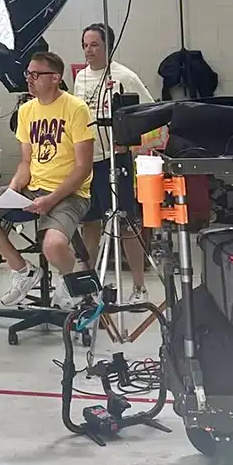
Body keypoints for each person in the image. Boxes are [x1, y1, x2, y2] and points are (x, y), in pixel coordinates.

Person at [0, 51, 94, 309]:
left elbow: (83, 168)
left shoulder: (76, 108)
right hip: (31, 190)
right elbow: (26, 162)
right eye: (28, 74)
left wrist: (52, 199)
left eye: (36, 74)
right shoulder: (26, 111)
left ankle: (69, 282)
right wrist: (13, 189)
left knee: (53, 247)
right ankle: (22, 269)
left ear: (55, 77)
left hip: (69, 194)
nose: (29, 80)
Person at [74, 23, 154, 304]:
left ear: (108, 46)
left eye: (94, 45)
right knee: (90, 223)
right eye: (85, 45)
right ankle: (87, 286)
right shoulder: (80, 79)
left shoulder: (124, 77)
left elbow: (150, 114)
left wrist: (132, 143)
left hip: (115, 159)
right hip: (88, 161)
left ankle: (139, 287)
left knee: (125, 224)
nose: (88, 51)